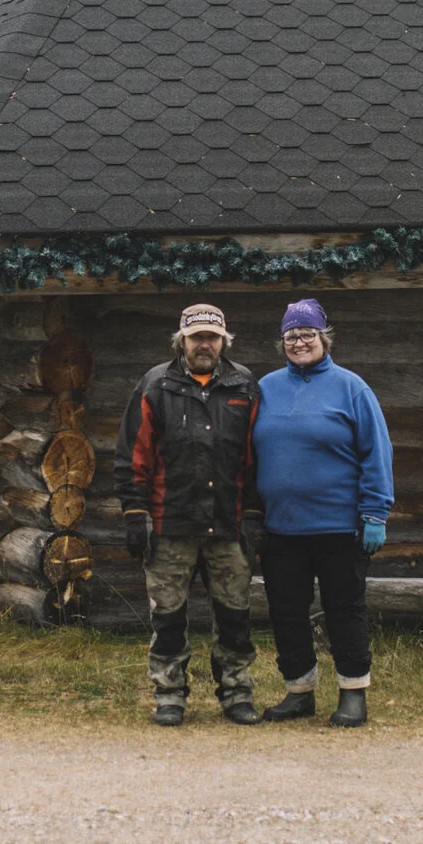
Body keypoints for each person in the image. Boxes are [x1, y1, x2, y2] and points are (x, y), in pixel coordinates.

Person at [114, 302, 264, 727]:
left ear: (224, 341)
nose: (204, 345)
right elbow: (132, 454)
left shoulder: (244, 385)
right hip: (169, 523)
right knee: (167, 617)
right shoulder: (155, 384)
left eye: (212, 337)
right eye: (196, 337)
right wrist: (135, 513)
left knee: (235, 616)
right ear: (181, 341)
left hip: (229, 524)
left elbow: (258, 457)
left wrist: (254, 513)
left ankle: (237, 692)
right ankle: (169, 695)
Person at [252, 298, 393, 728]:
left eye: (307, 334)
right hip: (281, 527)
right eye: (291, 336)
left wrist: (375, 514)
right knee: (286, 611)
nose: (299, 342)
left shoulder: (352, 388)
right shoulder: (265, 388)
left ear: (324, 338)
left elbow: (377, 453)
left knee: (343, 609)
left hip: (340, 527)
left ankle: (353, 692)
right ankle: (299, 692)